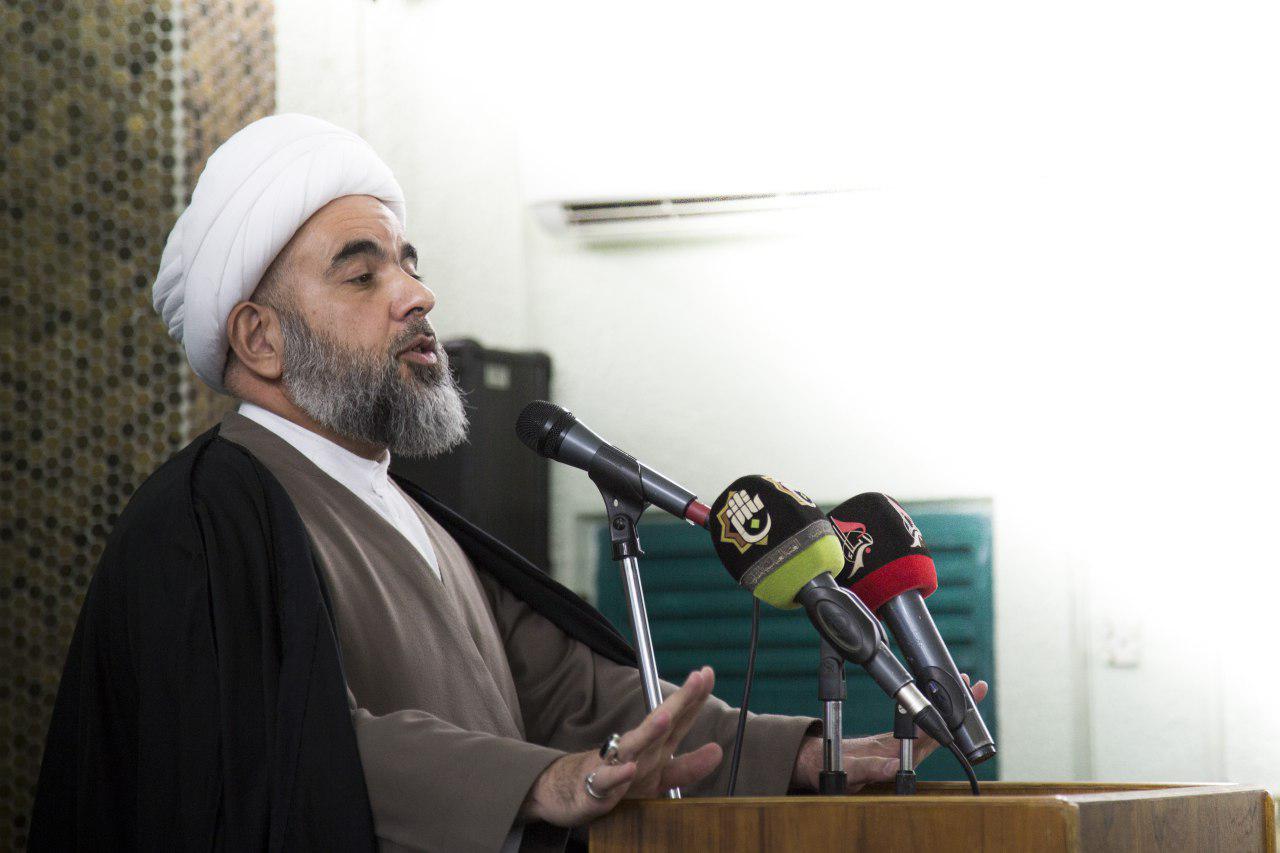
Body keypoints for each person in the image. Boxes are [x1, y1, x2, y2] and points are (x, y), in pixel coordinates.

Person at [29, 114, 987, 852]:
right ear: (260, 338)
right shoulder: (206, 516)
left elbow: (578, 696)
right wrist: (537, 781)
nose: (416, 294)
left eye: (408, 263)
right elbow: (279, 748)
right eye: (362, 276)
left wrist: (803, 753)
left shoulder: (407, 512)